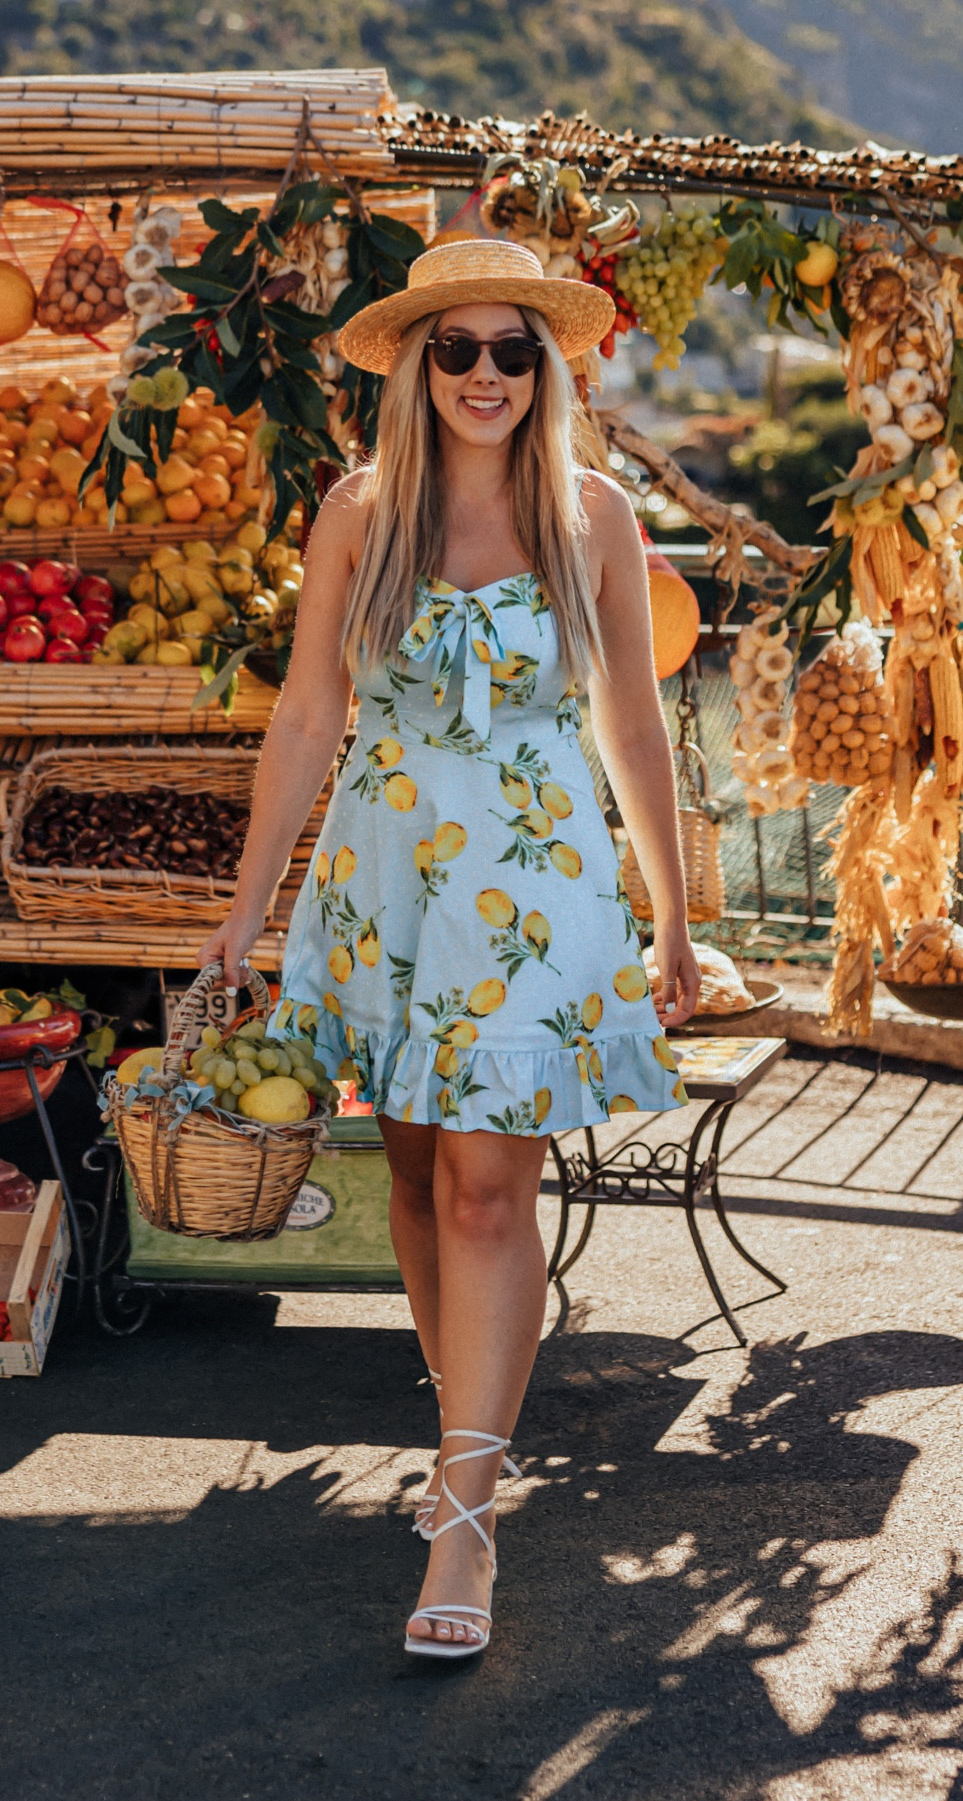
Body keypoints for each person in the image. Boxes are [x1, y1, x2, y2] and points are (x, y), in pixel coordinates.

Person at [200, 238, 701, 1658]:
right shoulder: (359, 511)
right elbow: (309, 712)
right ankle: (458, 1430)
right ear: (420, 367)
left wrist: (672, 910)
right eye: (459, 349)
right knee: (417, 1175)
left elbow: (631, 722)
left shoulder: (593, 514)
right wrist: (247, 904)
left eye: (514, 351)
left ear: (547, 370)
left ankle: (465, 1514)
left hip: (535, 883)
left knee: (488, 1188)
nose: (488, 374)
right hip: (386, 886)